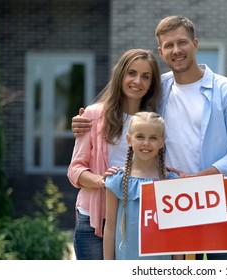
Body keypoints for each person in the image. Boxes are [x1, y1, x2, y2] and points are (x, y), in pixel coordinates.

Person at [72, 15, 227, 260]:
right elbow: (126, 114)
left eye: (182, 43)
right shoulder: (158, 89)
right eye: (169, 45)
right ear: (161, 51)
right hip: (167, 205)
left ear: (195, 44)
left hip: (215, 200)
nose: (176, 50)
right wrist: (84, 122)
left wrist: (196, 180)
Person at [67, 49, 162, 260]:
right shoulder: (93, 115)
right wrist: (106, 181)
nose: (137, 81)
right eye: (132, 73)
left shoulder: (153, 122)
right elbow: (75, 171)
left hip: (134, 221)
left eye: (146, 76)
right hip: (95, 220)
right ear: (120, 75)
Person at [103, 111, 182, 260]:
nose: (146, 143)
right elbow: (110, 228)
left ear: (161, 142)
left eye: (153, 138)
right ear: (129, 139)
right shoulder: (117, 180)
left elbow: (177, 232)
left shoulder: (171, 182)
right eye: (140, 136)